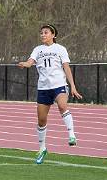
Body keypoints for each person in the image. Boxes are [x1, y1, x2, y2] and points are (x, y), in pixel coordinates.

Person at [18, 24, 82, 165]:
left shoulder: (60, 49)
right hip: (43, 88)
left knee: (62, 105)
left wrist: (73, 86)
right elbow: (30, 62)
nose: (43, 35)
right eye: (41, 33)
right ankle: (42, 148)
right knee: (41, 120)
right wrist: (26, 64)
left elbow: (66, 67)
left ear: (53, 35)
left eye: (46, 32)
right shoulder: (37, 49)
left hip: (59, 85)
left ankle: (71, 135)